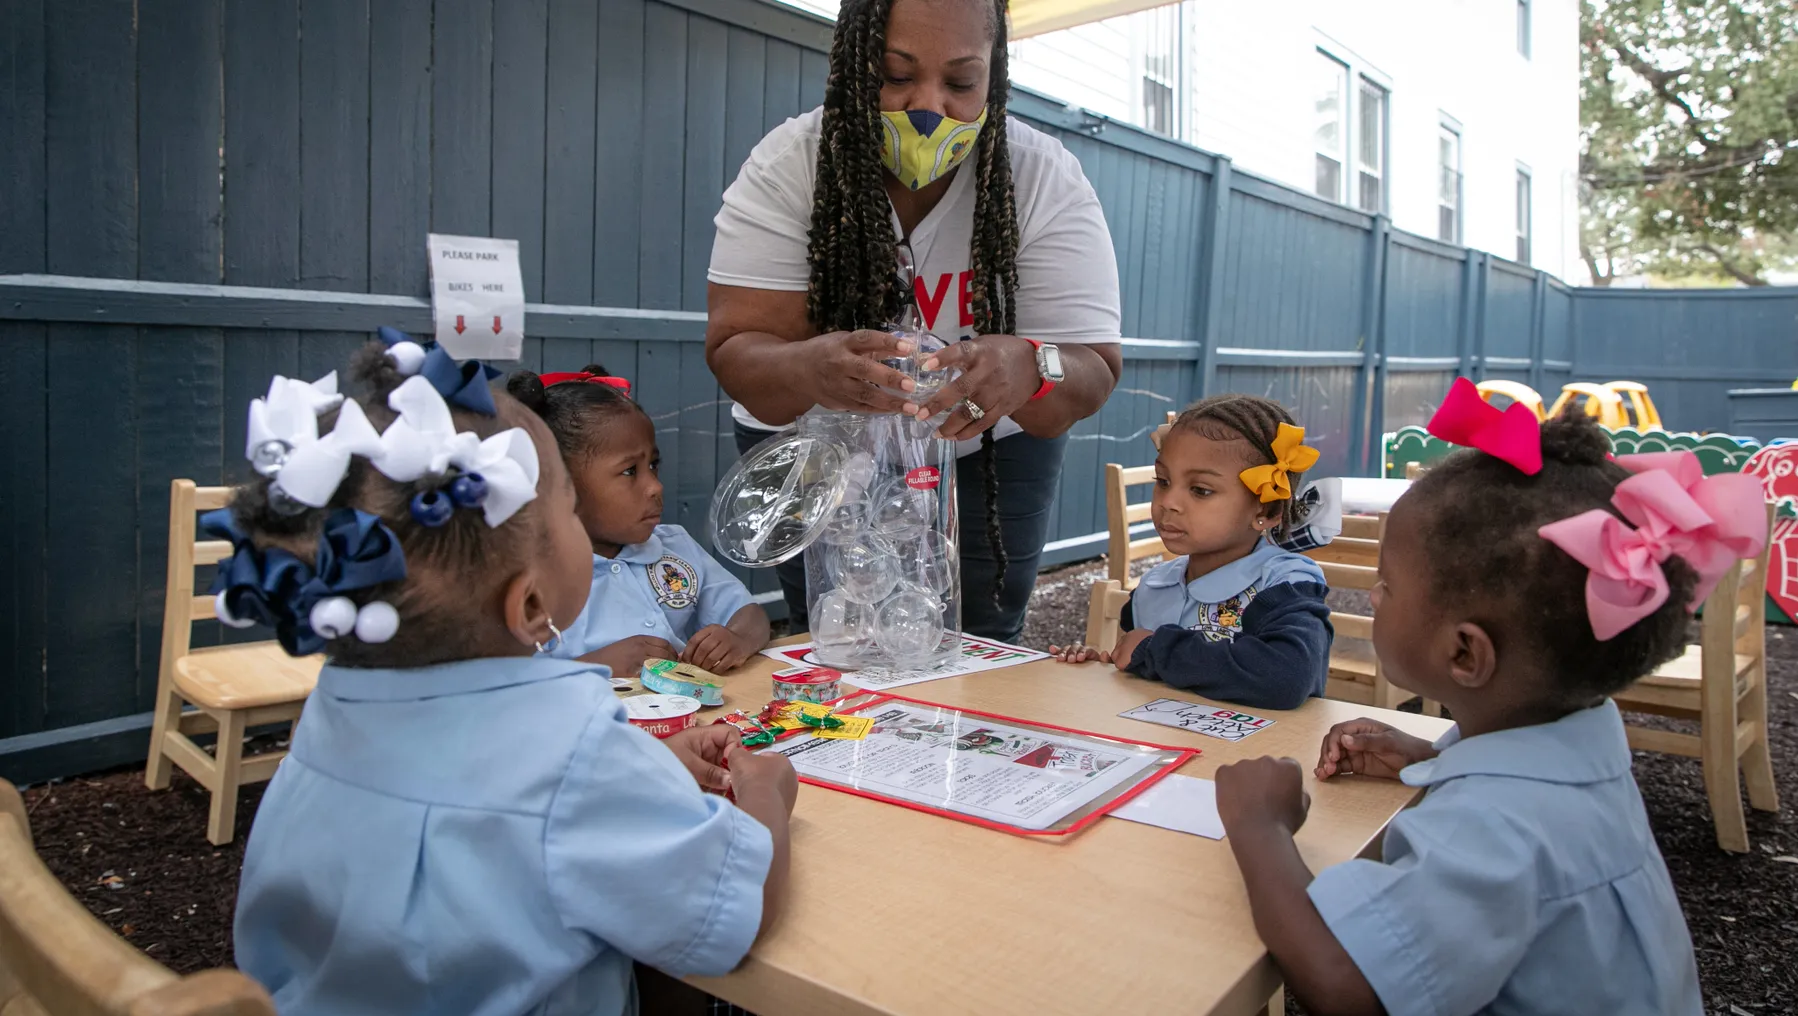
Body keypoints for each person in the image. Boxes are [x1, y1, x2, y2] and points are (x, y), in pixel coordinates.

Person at [228, 339, 797, 1015]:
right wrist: (768, 795)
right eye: (567, 511)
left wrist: (640, 764)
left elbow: (492, 800)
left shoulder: (331, 711)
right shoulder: (574, 749)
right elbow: (734, 911)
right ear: (529, 603)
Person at [1213, 391, 1749, 1016]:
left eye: (1387, 586)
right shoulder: (1581, 734)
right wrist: (1428, 756)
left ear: (1465, 655)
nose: (1375, 599)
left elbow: (1346, 984)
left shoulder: (1494, 824)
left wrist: (1261, 827)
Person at [705, 0, 1123, 642]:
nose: (927, 108)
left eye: (960, 82)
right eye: (894, 75)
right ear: (851, 64)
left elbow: (1093, 372)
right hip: (813, 436)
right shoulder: (791, 163)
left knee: (981, 641)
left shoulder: (1041, 176)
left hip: (989, 448)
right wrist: (811, 366)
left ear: (995, 75)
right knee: (838, 636)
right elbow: (737, 351)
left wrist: (1031, 366)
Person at [1049, 395, 1333, 710]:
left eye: (1200, 490)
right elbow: (1143, 669)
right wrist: (1101, 663)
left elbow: (1286, 678)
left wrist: (1156, 650)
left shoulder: (1285, 585)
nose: (1169, 501)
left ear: (1265, 509)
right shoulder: (1156, 587)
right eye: (1163, 481)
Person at [507, 367, 771, 676]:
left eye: (653, 465)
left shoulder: (673, 547)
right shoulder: (528, 578)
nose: (655, 486)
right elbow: (506, 685)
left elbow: (750, 614)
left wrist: (737, 638)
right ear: (561, 486)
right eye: (630, 471)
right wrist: (595, 667)